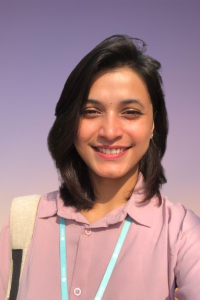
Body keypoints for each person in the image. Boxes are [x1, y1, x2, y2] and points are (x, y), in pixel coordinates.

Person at [0, 34, 200, 300]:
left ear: (153, 124)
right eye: (91, 111)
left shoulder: (181, 231)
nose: (109, 131)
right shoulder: (24, 222)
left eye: (130, 112)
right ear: (71, 122)